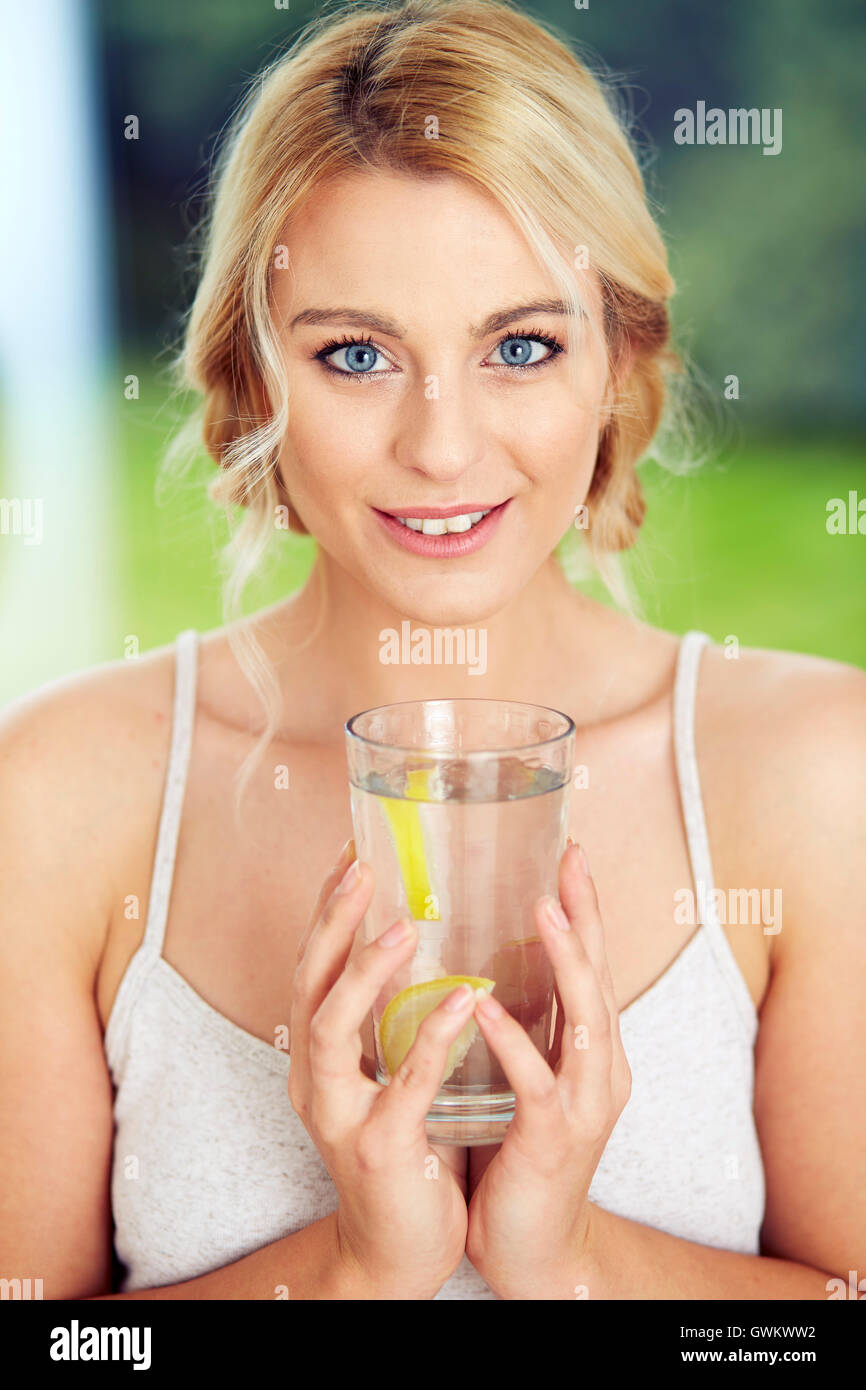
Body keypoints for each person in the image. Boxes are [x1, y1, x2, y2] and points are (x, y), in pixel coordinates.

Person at [1, 0, 863, 1301]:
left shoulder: (813, 773)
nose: (443, 447)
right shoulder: (61, 791)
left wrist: (575, 1261)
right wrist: (347, 1271)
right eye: (356, 354)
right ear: (247, 381)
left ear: (622, 369)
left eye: (521, 346)